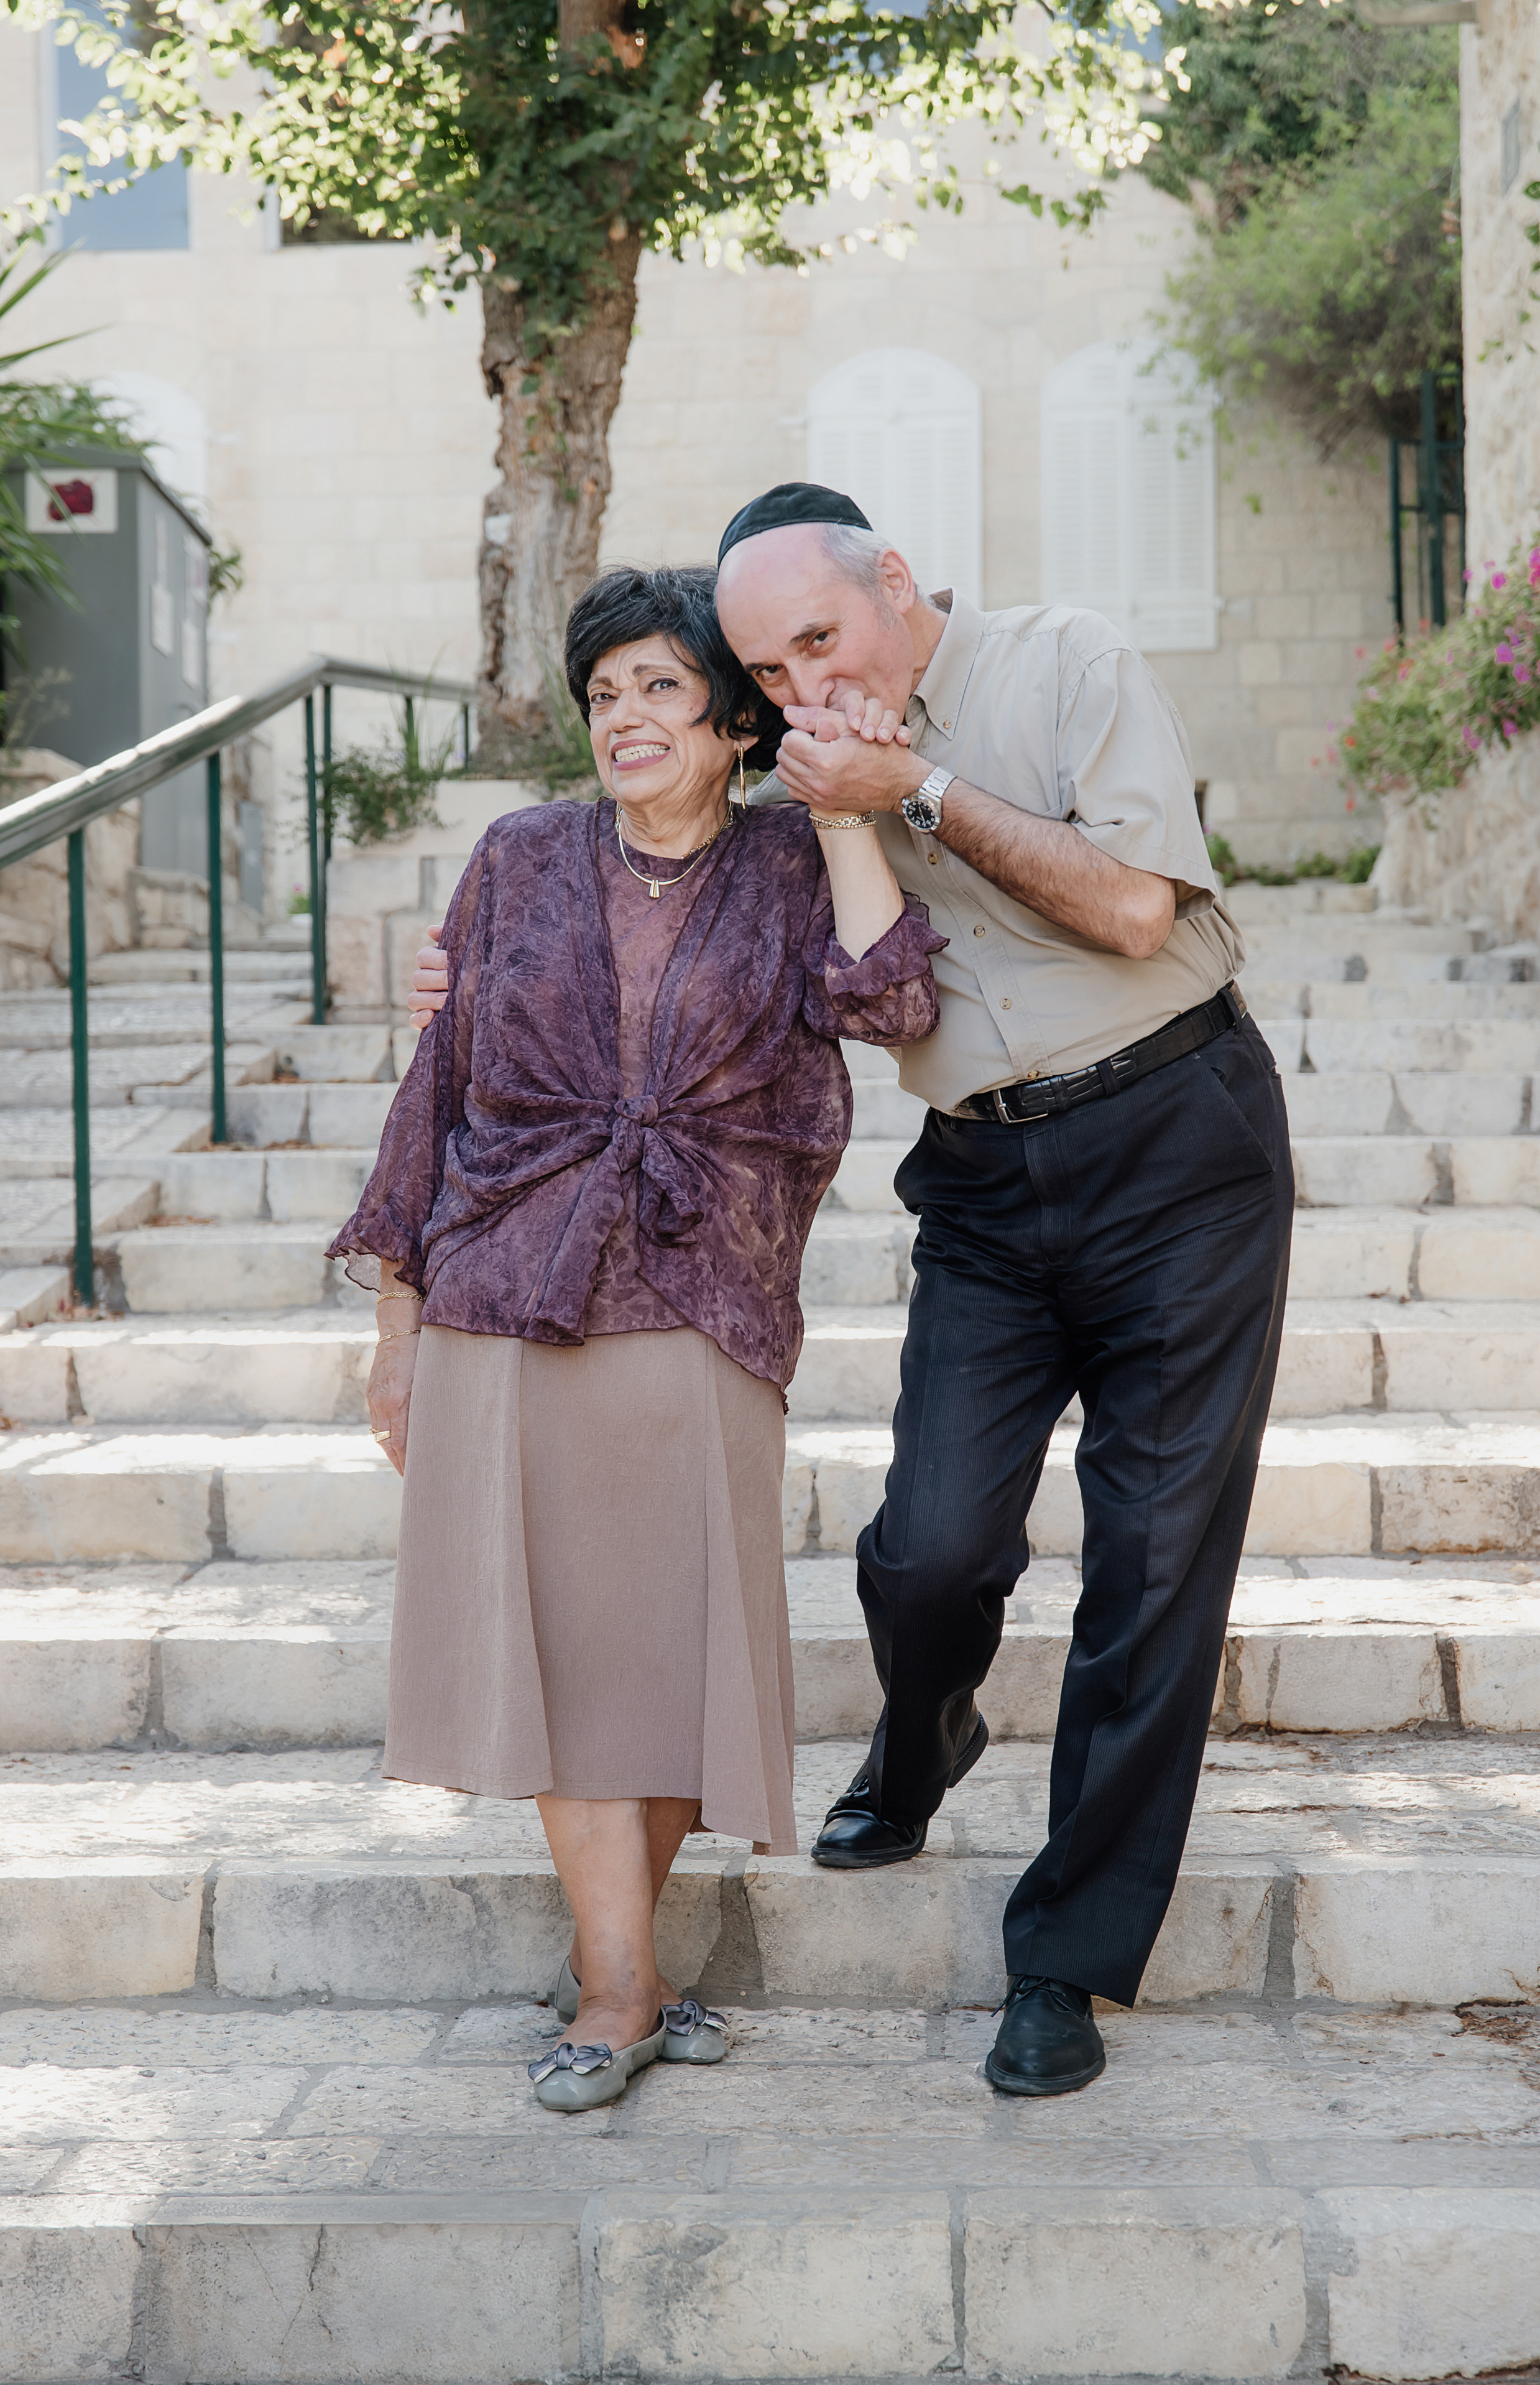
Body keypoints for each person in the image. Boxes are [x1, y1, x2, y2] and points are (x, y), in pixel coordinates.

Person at [333, 560, 943, 2115]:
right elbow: (441, 1088)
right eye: (603, 693)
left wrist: (844, 806)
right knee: (556, 1647)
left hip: (705, 1289)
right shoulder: (519, 855)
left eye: (661, 686)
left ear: (733, 720)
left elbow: (889, 1000)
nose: (626, 717)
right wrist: (396, 1318)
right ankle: (616, 1986)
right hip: (502, 1284)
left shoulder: (794, 864)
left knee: (666, 1655)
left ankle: (628, 1959)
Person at [710, 481, 1295, 2099]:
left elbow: (1127, 907)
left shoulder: (1066, 661)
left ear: (894, 583)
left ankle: (1066, 1958)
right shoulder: (820, 789)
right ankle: (923, 1724)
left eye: (822, 640)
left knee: (1156, 1559)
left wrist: (925, 788)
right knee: (929, 1546)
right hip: (980, 1177)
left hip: (1179, 1138)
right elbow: (869, 1014)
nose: (806, 692)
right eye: (769, 676)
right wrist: (846, 816)